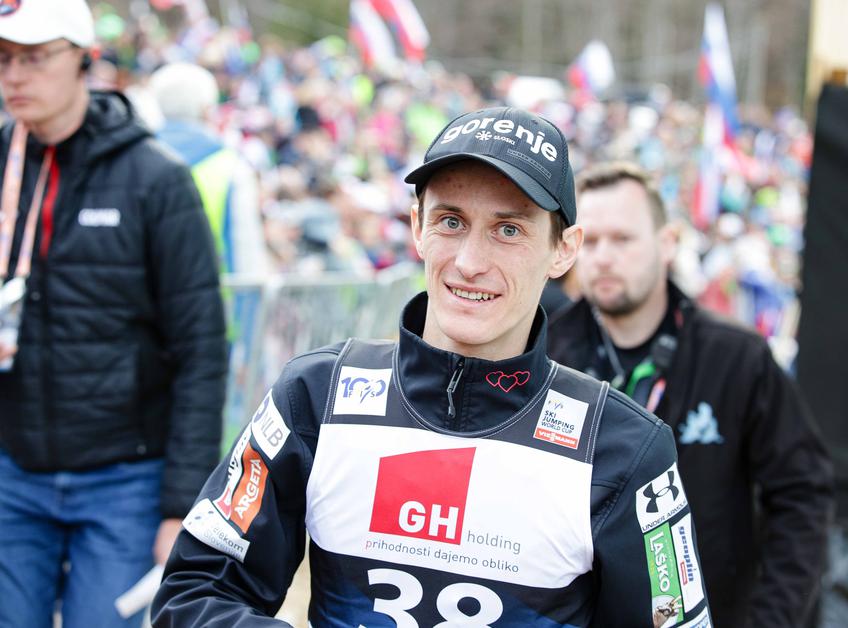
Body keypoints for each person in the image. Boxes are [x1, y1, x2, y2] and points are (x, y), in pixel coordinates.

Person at [153, 108, 713, 627]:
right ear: (417, 225)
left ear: (564, 250)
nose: (470, 262)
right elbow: (194, 593)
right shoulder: (317, 394)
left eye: (509, 229)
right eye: (451, 221)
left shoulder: (624, 446)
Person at [0, 2, 227, 627]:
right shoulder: (3, 165)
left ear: (85, 59)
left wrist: (181, 505)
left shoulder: (156, 178)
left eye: (34, 57)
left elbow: (201, 345)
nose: (15, 76)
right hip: (13, 469)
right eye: (5, 59)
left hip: (123, 479)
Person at [547, 161, 833, 627]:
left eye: (622, 239)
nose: (603, 257)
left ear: (667, 244)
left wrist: (771, 619)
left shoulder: (737, 357)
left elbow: (803, 495)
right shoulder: (545, 352)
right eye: (591, 241)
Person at [149, 61, 270, 276]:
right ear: (207, 109)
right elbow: (246, 256)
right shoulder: (231, 167)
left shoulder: (134, 162)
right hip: (214, 291)